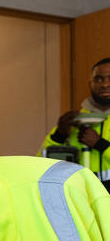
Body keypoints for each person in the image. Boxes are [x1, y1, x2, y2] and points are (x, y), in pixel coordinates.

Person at [38, 57, 110, 190]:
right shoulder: (76, 121)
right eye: (99, 79)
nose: (105, 84)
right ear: (90, 84)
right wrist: (59, 135)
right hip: (81, 199)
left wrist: (100, 144)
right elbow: (42, 163)